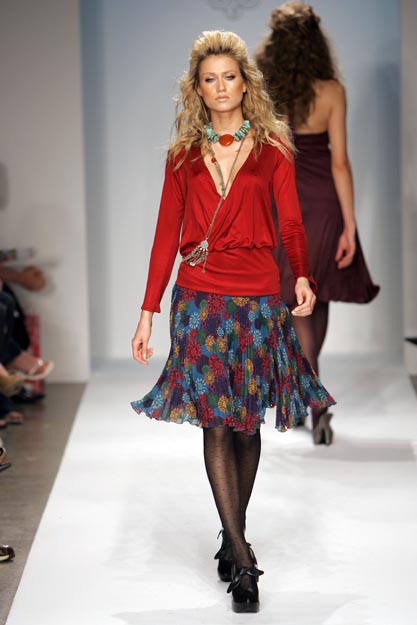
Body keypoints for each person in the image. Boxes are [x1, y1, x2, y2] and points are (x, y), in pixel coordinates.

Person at [131, 30, 334, 613]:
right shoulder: (182, 155)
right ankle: (243, 557)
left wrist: (302, 275)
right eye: (209, 79)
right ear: (197, 89)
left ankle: (230, 533)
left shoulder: (272, 147)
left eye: (229, 77)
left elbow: (290, 222)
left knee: (246, 425)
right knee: (217, 423)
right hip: (200, 301)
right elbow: (165, 234)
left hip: (258, 299)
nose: (220, 87)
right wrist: (147, 312)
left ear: (246, 83)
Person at [255, 2, 379, 445]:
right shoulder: (331, 91)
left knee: (293, 300)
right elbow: (340, 162)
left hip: (280, 203)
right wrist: (349, 225)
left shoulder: (262, 89)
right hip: (324, 203)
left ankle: (312, 400)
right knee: (316, 298)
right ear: (316, 42)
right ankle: (313, 402)